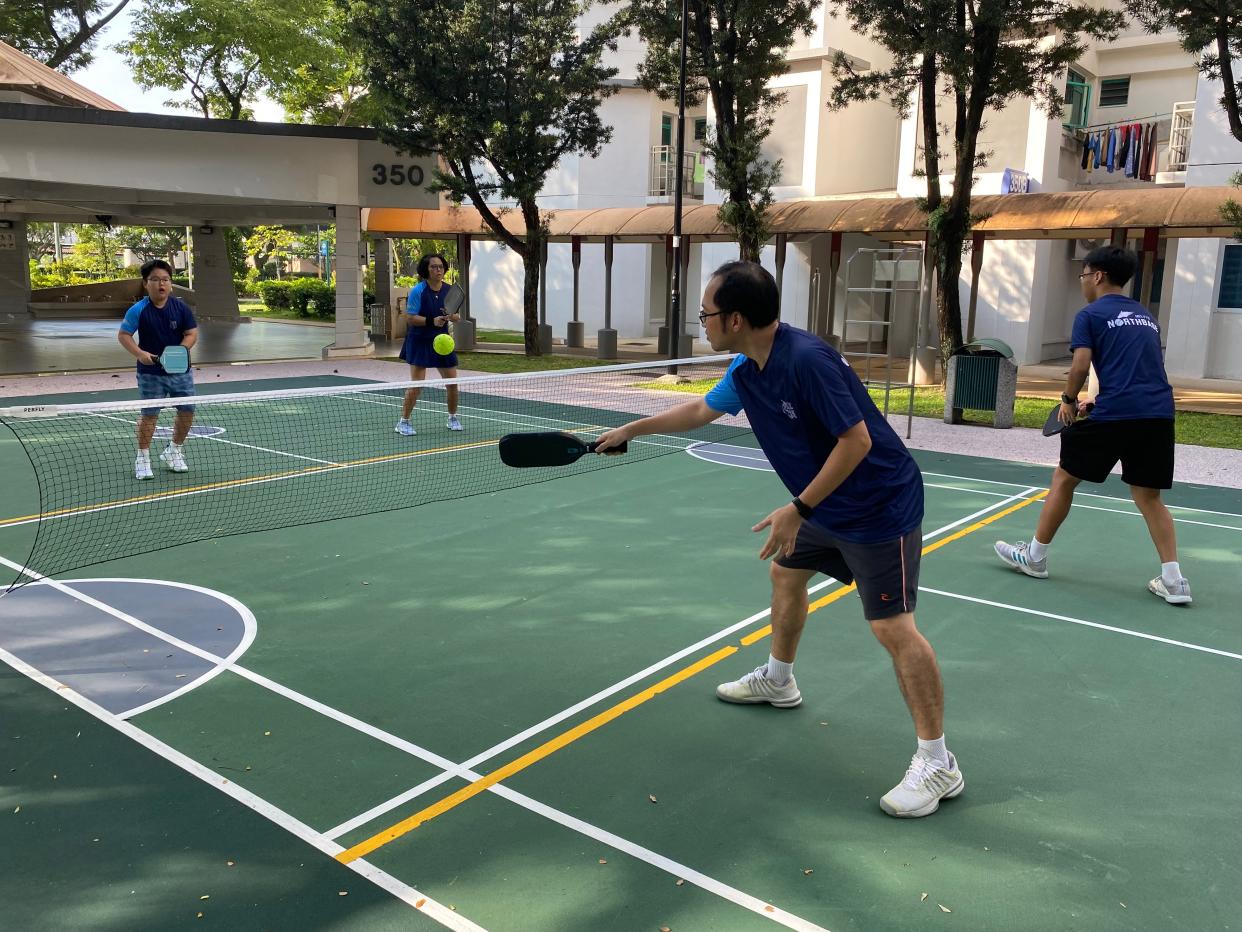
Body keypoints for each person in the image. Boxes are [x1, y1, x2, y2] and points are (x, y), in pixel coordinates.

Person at [594, 261, 963, 819]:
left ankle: (939, 763)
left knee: (892, 628)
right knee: (785, 574)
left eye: (707, 314)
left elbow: (857, 440)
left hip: (876, 507)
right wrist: (631, 429)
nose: (703, 323)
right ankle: (779, 681)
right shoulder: (747, 368)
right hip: (823, 501)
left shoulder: (807, 361)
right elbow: (701, 408)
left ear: (735, 318)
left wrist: (798, 508)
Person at [994, 245, 1191, 605]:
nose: (1083, 282)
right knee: (1149, 497)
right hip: (1158, 414)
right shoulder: (1146, 317)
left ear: (1097, 276)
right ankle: (1174, 580)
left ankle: (1035, 558)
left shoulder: (1090, 314)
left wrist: (1068, 401)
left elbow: (1080, 367)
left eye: (1084, 275)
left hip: (1118, 416)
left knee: (1064, 478)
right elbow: (1141, 373)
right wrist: (1097, 401)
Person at [117, 259, 198, 480]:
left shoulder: (181, 307)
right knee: (149, 415)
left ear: (170, 284)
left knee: (187, 411)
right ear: (146, 283)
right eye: (155, 279)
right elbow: (124, 335)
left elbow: (191, 333)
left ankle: (174, 451)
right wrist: (140, 354)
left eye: (166, 280)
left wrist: (180, 351)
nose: (161, 284)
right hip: (151, 373)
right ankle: (142, 458)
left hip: (180, 371)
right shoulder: (138, 310)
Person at [395, 253, 463, 435]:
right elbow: (410, 318)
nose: (438, 270)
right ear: (426, 270)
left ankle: (452, 417)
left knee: (453, 383)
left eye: (440, 266)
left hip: (442, 342)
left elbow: (456, 316)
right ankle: (404, 421)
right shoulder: (418, 291)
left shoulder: (450, 290)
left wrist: (452, 316)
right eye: (433, 266)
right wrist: (432, 321)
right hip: (420, 340)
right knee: (417, 384)